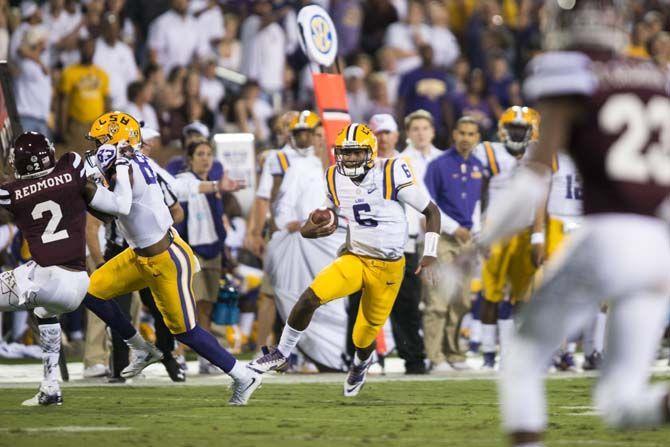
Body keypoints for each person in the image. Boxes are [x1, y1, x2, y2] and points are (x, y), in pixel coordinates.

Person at [464, 1, 670, 444]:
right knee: (622, 404)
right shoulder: (657, 78)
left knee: (520, 358)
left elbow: (529, 184)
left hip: (606, 235)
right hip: (657, 244)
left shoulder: (570, 71)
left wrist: (481, 244)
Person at [80, 112, 261, 405]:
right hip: (137, 256)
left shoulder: (127, 165)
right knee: (89, 293)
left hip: (166, 259)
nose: (97, 146)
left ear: (117, 139)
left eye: (101, 139)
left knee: (186, 332)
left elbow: (120, 206)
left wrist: (86, 190)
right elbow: (113, 211)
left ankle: (243, 374)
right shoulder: (133, 162)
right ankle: (139, 347)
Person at [249, 123, 441, 397]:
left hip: (388, 266)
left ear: (370, 152)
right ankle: (281, 352)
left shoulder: (391, 171)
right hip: (355, 257)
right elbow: (333, 216)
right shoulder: (333, 177)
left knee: (362, 337)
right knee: (310, 297)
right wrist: (314, 225)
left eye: (356, 153)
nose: (349, 159)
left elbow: (432, 211)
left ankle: (361, 363)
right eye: (345, 153)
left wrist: (430, 253)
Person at [0, 131, 144, 405]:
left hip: (44, 278)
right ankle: (51, 386)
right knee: (44, 312)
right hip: (77, 282)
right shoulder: (71, 165)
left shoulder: (12, 193)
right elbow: (110, 203)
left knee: (38, 297)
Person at [471, 106, 541, 370]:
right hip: (495, 229)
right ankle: (489, 353)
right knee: (492, 294)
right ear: (503, 129)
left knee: (523, 295)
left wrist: (538, 233)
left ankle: (515, 353)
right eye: (513, 128)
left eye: (521, 129)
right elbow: (479, 194)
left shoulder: (538, 155)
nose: (517, 133)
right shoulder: (489, 152)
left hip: (524, 230)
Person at [422, 116, 483, 372]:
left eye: (471, 134)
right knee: (438, 300)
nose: (466, 138)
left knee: (461, 300)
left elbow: (477, 203)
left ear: (477, 137)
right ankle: (434, 357)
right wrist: (452, 228)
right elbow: (427, 204)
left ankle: (454, 352)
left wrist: (476, 231)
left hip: (467, 240)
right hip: (443, 238)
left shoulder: (479, 165)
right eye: (462, 133)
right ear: (454, 134)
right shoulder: (438, 165)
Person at [174, 140, 227, 374]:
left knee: (207, 305)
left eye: (208, 154)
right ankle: (178, 353)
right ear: (190, 159)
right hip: (191, 249)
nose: (205, 158)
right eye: (200, 154)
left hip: (212, 249)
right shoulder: (185, 181)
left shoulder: (212, 185)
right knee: (189, 304)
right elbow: (183, 197)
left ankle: (206, 356)